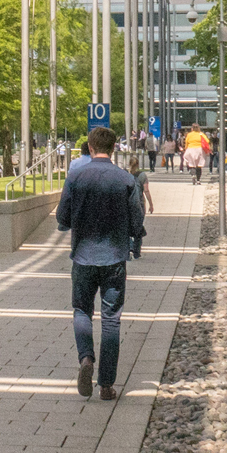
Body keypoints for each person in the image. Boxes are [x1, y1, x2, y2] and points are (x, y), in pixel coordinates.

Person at [56, 126, 143, 401]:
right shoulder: (126, 179)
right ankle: (106, 385)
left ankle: (85, 359)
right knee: (111, 320)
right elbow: (137, 220)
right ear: (114, 148)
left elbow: (62, 216)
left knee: (82, 310)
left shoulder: (75, 177)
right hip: (115, 258)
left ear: (90, 148)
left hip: (83, 256)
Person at [121, 136, 154, 259]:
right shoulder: (142, 175)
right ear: (138, 164)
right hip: (139, 204)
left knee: (127, 226)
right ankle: (136, 251)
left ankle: (128, 246)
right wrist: (151, 204)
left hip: (126, 203)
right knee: (138, 227)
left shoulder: (125, 174)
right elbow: (146, 190)